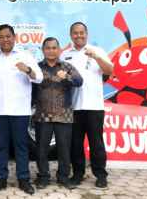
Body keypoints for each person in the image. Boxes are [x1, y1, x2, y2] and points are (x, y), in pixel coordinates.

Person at [0, 24, 42, 195]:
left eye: (8, 36)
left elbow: (39, 77)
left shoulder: (25, 55)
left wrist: (28, 69)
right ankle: (1, 177)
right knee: (0, 145)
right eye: (1, 37)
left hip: (20, 110)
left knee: (21, 144)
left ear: (14, 37)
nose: (5, 39)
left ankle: (23, 179)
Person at [60, 22, 113, 188]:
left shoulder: (98, 51)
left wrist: (96, 57)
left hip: (93, 105)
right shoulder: (64, 55)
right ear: (71, 36)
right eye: (75, 33)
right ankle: (78, 173)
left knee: (96, 142)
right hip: (73, 107)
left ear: (87, 34)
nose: (79, 35)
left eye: (81, 32)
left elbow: (109, 70)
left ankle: (100, 174)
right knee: (75, 143)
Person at [34, 37, 83, 190]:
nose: (51, 51)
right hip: (43, 116)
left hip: (65, 115)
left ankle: (63, 177)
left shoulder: (67, 66)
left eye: (54, 48)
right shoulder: (36, 68)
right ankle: (43, 176)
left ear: (59, 49)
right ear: (43, 50)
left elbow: (80, 81)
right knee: (42, 148)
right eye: (47, 48)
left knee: (64, 147)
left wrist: (67, 77)